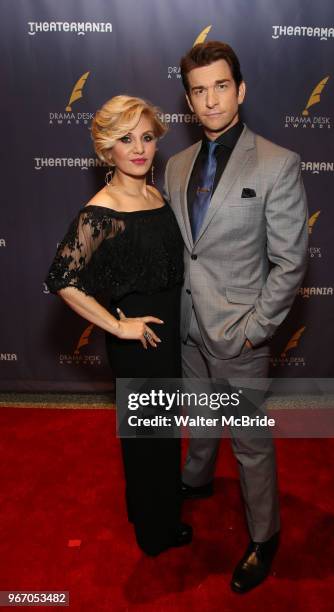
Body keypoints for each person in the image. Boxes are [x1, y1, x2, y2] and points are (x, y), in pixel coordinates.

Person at [163, 41, 308, 592]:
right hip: (188, 327)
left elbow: (290, 262)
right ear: (188, 100)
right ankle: (196, 480)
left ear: (240, 90)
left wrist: (255, 331)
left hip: (241, 335)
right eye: (199, 90)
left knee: (250, 445)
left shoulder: (276, 162)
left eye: (221, 86)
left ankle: (265, 536)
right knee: (199, 417)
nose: (211, 99)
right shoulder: (174, 166)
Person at [46, 95, 192, 556]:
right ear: (106, 148)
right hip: (140, 340)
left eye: (147, 137)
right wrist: (117, 326)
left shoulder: (154, 193)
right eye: (126, 139)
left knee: (161, 432)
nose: (139, 149)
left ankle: (155, 509)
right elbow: (62, 280)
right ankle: (156, 533)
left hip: (167, 333)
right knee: (148, 438)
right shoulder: (100, 211)